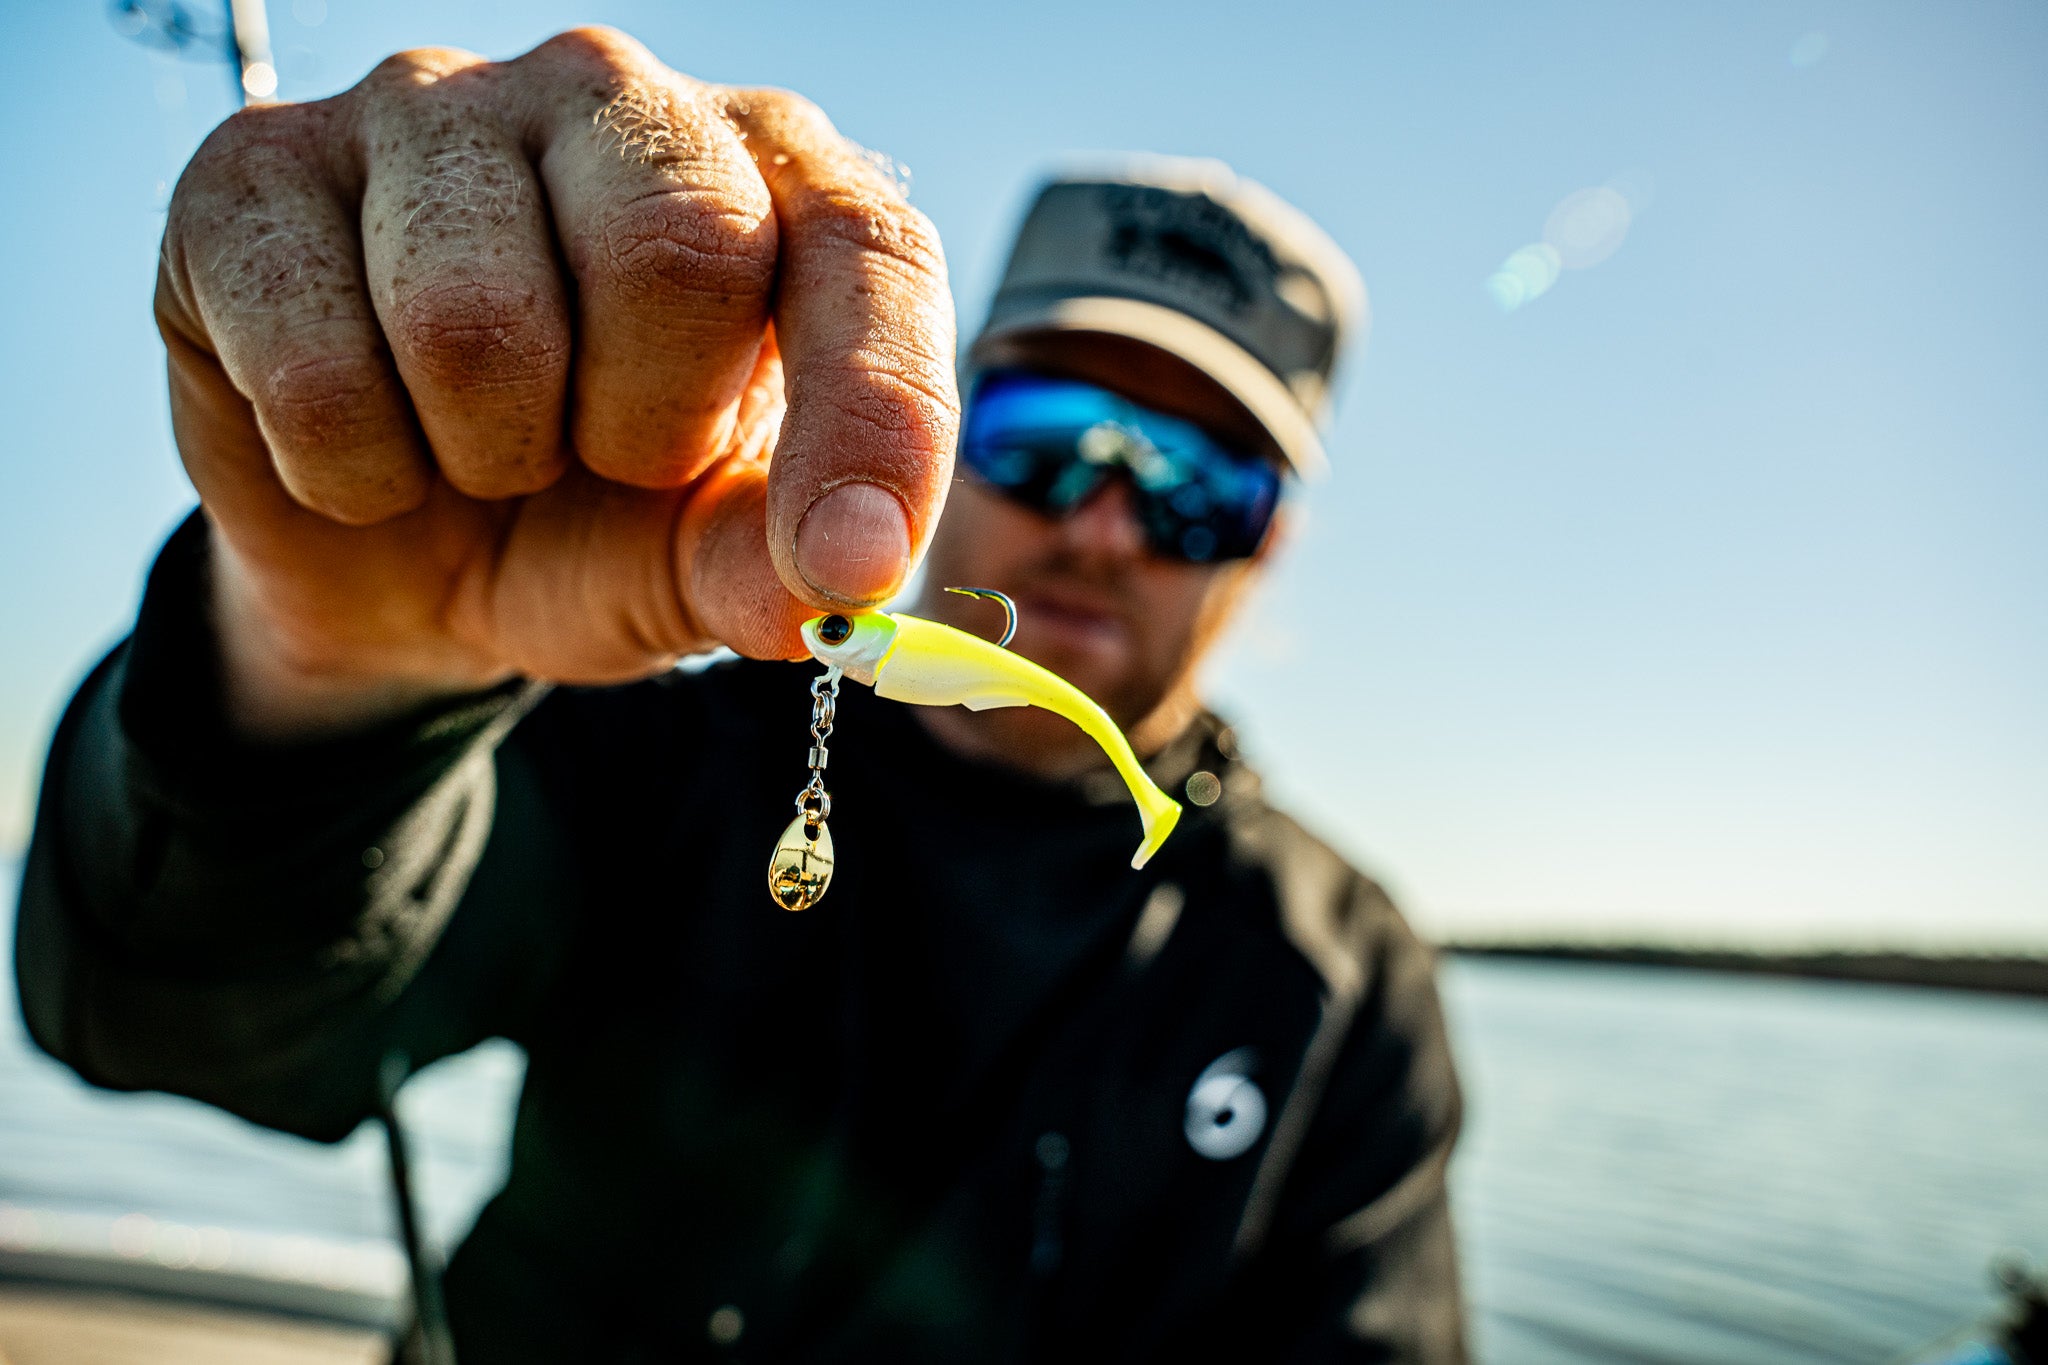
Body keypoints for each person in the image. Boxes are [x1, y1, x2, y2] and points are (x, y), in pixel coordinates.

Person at [15, 27, 1466, 1363]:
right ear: (947, 421)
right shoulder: (659, 745)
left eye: (1200, 488)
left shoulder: (1338, 979)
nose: (1100, 525)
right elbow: (162, 1022)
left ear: (1268, 542)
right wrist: (330, 668)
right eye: (1050, 434)